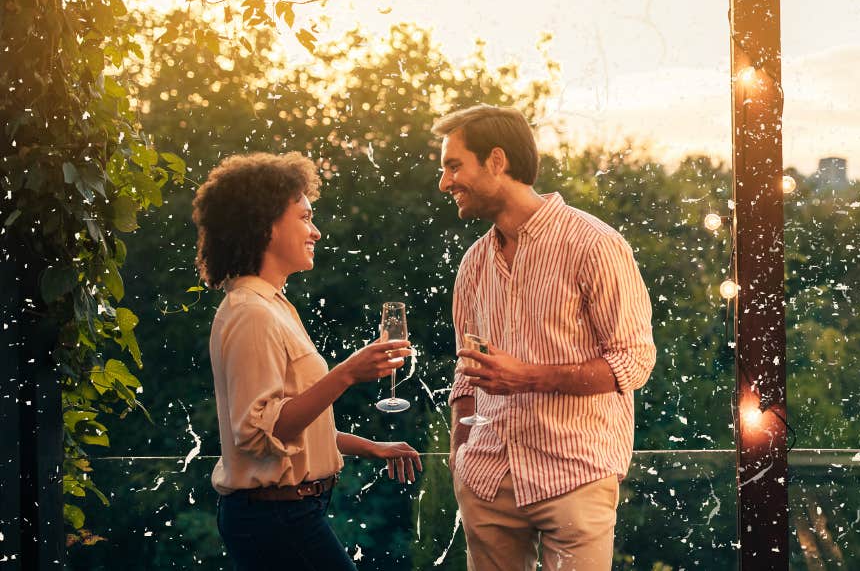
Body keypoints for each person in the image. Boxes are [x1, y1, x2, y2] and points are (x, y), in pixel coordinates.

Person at [435, 105, 656, 571]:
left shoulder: (595, 245)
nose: (445, 183)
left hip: (575, 476)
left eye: (454, 166)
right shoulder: (474, 264)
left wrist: (529, 377)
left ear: (497, 160)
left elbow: (633, 362)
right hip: (487, 479)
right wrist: (460, 458)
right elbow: (466, 373)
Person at [193, 152, 422, 571]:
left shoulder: (273, 306)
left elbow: (296, 430)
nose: (315, 231)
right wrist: (347, 373)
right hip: (276, 518)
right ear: (264, 225)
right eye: (304, 218)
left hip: (286, 513)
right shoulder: (252, 313)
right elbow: (261, 434)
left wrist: (370, 447)